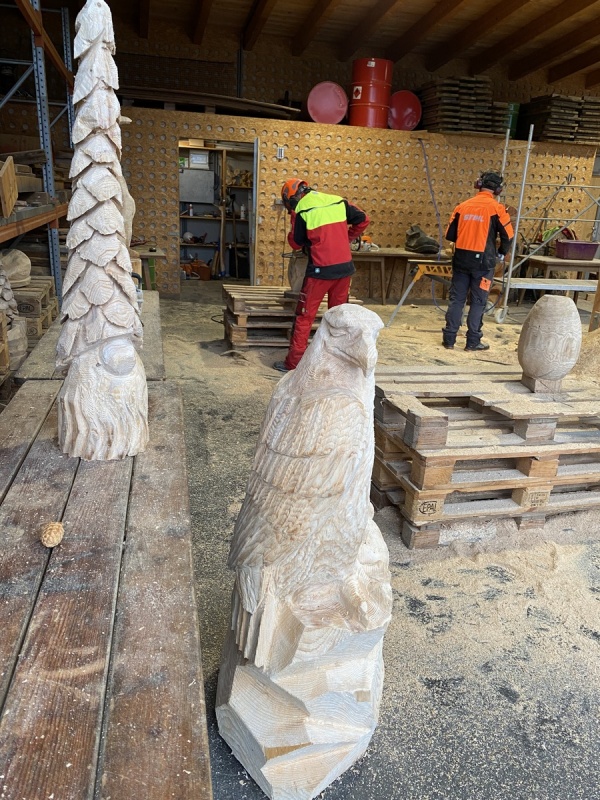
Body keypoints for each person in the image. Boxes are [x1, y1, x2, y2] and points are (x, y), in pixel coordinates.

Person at [273, 178, 370, 372]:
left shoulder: (302, 209)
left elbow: (295, 243)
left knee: (304, 316)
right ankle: (337, 363)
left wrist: (294, 220)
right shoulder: (337, 201)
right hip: (344, 269)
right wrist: (346, 238)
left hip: (320, 270)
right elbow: (363, 219)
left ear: (291, 198)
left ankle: (294, 363)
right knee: (338, 317)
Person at [442, 171, 514, 351]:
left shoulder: (462, 206)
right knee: (478, 301)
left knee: (457, 299)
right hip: (483, 263)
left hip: (461, 260)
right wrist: (501, 252)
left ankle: (449, 340)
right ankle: (472, 342)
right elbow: (508, 236)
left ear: (479, 185)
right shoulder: (497, 209)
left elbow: (450, 235)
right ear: (498, 190)